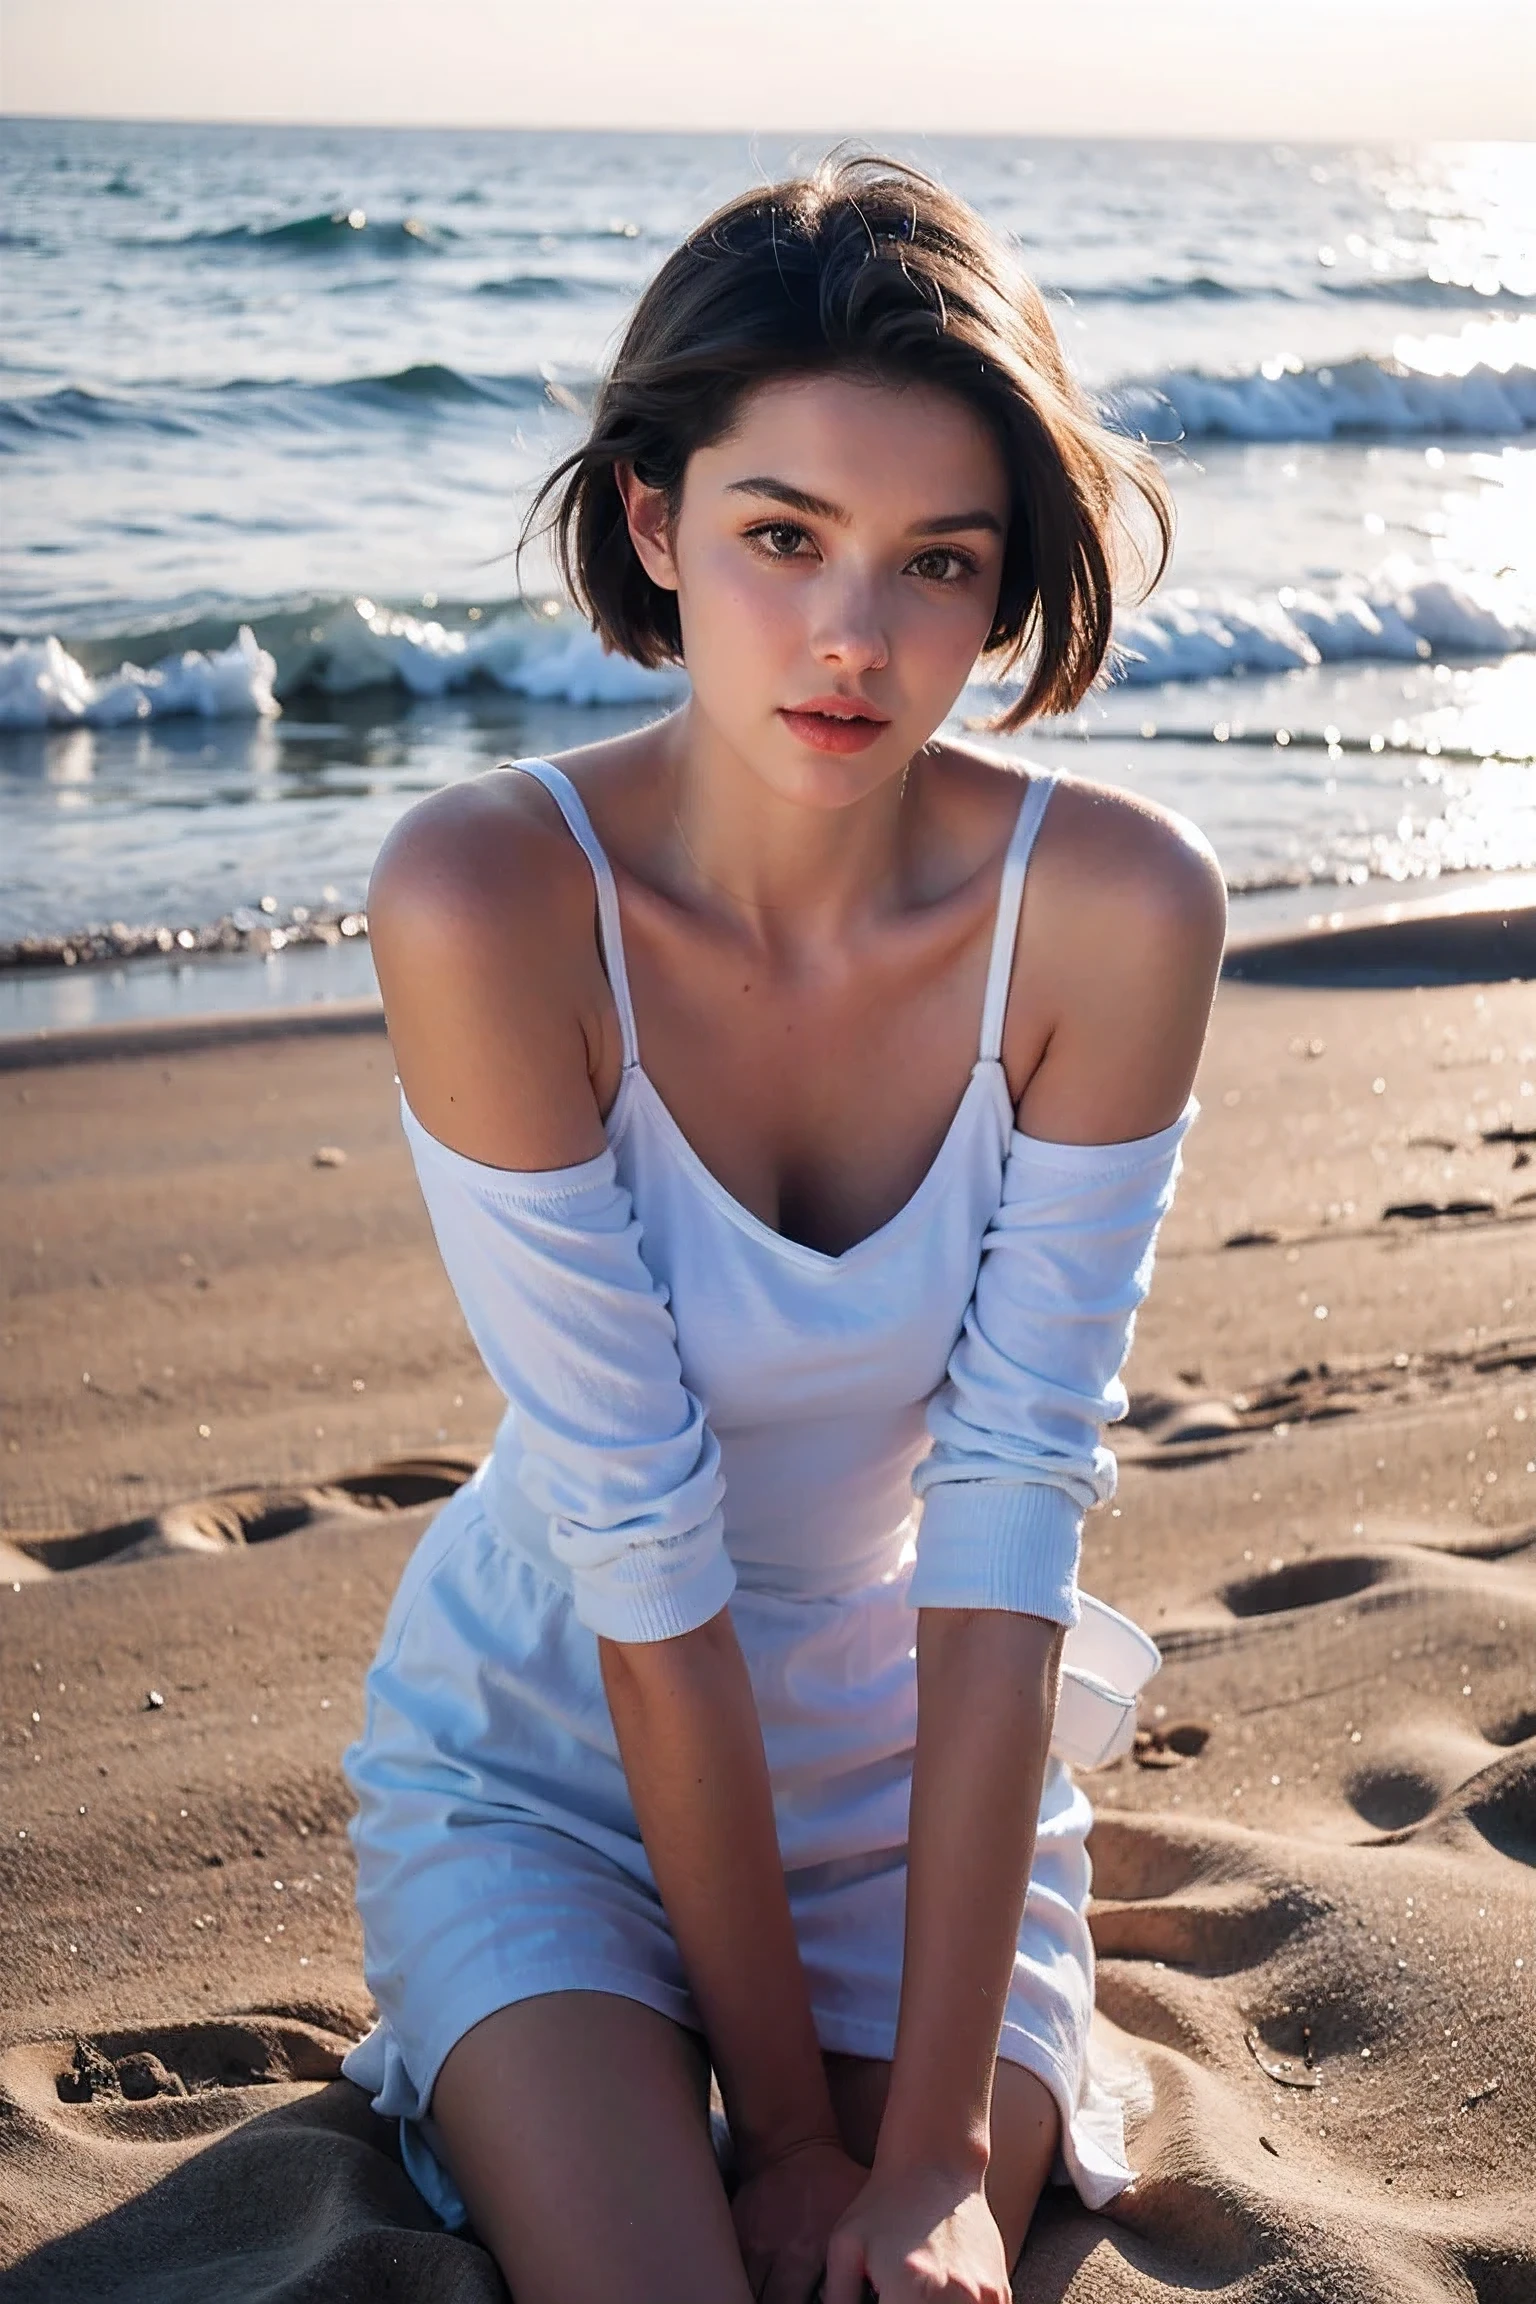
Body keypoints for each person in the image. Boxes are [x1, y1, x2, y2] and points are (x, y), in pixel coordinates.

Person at [341, 154, 1225, 2304]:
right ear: (653, 522)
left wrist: (919, 2156)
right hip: (543, 1755)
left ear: (1008, 586)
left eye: (938, 561)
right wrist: (797, 2134)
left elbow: (1017, 1496)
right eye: (781, 538)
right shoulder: (491, 899)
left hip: (920, 1773)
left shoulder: (1111, 914)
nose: (855, 636)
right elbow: (643, 1554)